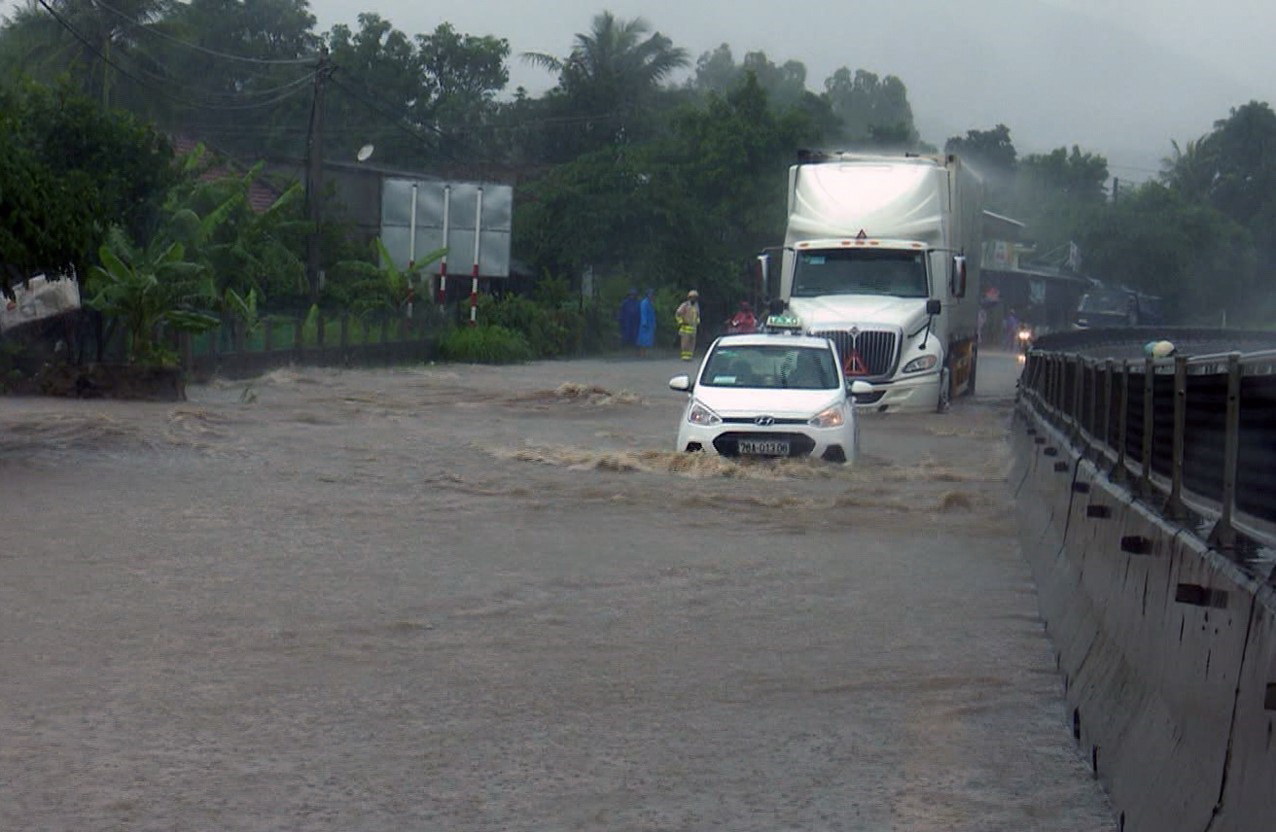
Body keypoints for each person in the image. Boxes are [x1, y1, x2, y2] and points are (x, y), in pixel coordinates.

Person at [675, 289, 701, 361]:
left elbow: (697, 315)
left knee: (692, 343)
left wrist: (697, 321)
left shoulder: (696, 306)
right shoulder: (685, 305)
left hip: (693, 328)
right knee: (685, 343)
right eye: (692, 297)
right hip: (685, 328)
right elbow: (678, 314)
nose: (694, 299)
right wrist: (680, 322)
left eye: (695, 297)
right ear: (689, 297)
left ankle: (689, 357)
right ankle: (684, 357)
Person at [636, 289, 656, 358]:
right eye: (650, 294)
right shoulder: (644, 303)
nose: (652, 296)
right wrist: (644, 322)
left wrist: (653, 324)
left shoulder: (650, 303)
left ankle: (644, 353)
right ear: (647, 295)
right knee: (643, 340)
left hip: (650, 324)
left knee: (647, 340)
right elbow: (643, 313)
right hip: (645, 324)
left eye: (652, 294)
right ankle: (641, 353)